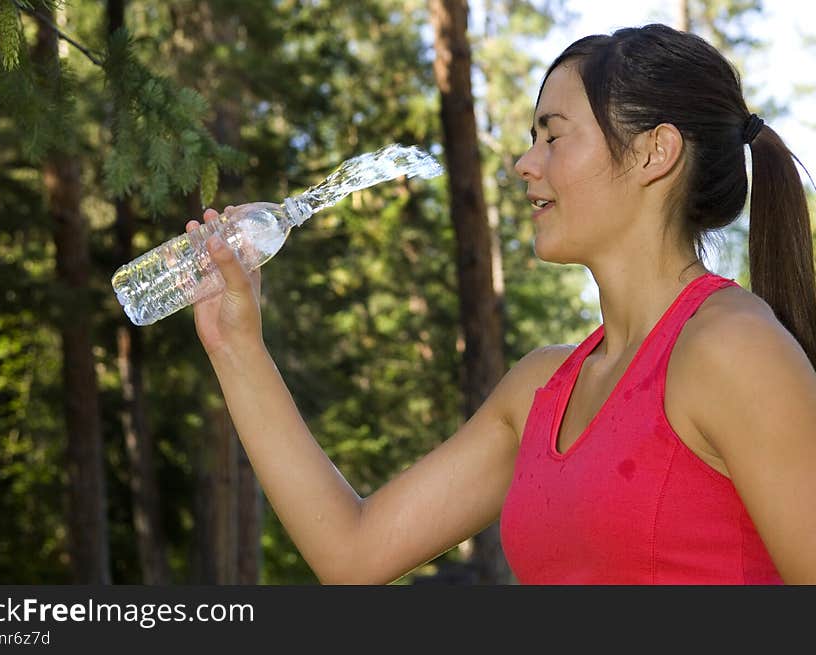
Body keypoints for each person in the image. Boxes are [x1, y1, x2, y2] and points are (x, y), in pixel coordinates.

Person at [185, 23, 816, 584]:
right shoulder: (540, 389)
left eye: (552, 136)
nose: (524, 163)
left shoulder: (732, 351)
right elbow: (351, 553)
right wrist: (235, 345)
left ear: (656, 152)